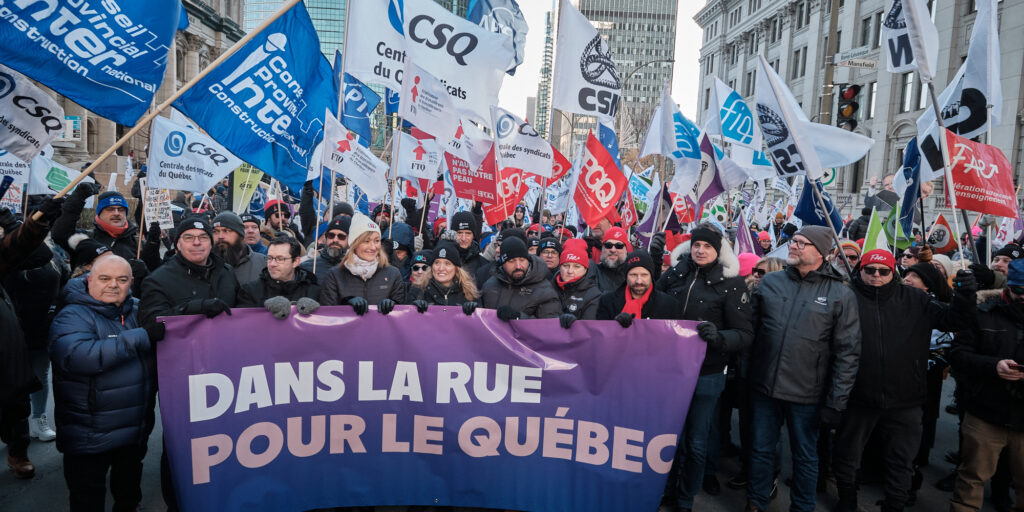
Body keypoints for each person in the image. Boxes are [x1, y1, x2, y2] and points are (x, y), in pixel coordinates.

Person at [832, 250, 976, 512]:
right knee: (848, 456)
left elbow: (955, 320)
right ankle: (847, 501)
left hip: (905, 398)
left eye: (883, 271)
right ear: (860, 271)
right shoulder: (846, 298)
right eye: (870, 270)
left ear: (893, 273)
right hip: (858, 396)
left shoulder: (915, 299)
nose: (876, 275)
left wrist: (965, 295)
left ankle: (895, 505)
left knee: (901, 460)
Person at [745, 225, 861, 512]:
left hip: (808, 394)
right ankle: (757, 501)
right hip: (764, 388)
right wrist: (747, 374)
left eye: (801, 243)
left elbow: (848, 352)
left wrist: (837, 401)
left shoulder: (840, 295)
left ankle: (802, 507)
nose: (793, 246)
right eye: (793, 241)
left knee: (805, 456)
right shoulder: (770, 283)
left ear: (821, 252)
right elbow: (751, 332)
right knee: (760, 450)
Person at [138, 216, 238, 511]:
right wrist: (197, 310)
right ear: (177, 243)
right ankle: (178, 502)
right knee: (182, 446)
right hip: (182, 378)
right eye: (189, 237)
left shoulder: (227, 272)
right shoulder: (159, 279)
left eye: (203, 237)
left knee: (224, 440)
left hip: (225, 373)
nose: (197, 242)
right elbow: (151, 322)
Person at [655, 226, 754, 512]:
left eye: (707, 246)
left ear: (718, 250)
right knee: (668, 438)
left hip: (706, 373)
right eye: (696, 244)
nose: (700, 250)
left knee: (696, 442)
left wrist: (720, 336)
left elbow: (745, 333)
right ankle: (666, 490)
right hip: (668, 370)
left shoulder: (731, 284)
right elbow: (652, 304)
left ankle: (685, 499)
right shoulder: (675, 274)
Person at [49, 255, 159, 512]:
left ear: (131, 282)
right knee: (87, 499)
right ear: (89, 280)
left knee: (128, 494)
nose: (113, 285)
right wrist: (141, 337)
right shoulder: (72, 314)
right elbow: (79, 357)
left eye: (122, 280)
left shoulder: (138, 309)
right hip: (89, 434)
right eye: (105, 278)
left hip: (133, 429)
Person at [949, 258, 1024, 512]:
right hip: (985, 412)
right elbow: (958, 355)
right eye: (1020, 291)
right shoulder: (983, 313)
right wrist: (994, 366)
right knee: (971, 479)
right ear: (1009, 289)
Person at [0, 199, 63, 480]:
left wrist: (31, 223)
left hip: (7, 338)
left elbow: (33, 255)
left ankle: (18, 451)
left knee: (14, 397)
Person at [2, 234, 69, 443]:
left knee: (40, 374)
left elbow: (63, 285)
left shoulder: (53, 254)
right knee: (11, 380)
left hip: (42, 326)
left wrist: (56, 310)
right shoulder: (8, 253)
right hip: (13, 326)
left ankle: (38, 419)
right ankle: (12, 428)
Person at [319, 213, 406, 314]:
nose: (373, 247)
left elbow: (403, 316)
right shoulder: (334, 275)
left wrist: (393, 304)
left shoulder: (393, 274)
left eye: (377, 241)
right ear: (354, 244)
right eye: (366, 241)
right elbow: (327, 316)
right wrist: (346, 304)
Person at [480, 236, 561, 320]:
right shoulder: (490, 286)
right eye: (511, 261)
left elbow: (549, 326)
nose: (518, 266)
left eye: (522, 260)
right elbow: (482, 318)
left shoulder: (545, 291)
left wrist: (519, 317)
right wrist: (473, 309)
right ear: (502, 263)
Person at [237, 237, 321, 315]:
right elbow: (244, 323)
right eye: (269, 258)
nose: (272, 264)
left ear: (296, 261)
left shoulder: (313, 291)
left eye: (280, 259)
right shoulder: (250, 291)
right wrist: (265, 309)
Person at [596, 250, 679, 324]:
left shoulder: (669, 304)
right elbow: (602, 335)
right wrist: (614, 325)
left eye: (644, 275)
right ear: (626, 276)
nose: (639, 281)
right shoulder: (607, 301)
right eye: (633, 275)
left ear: (651, 276)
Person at [408, 240, 479, 312]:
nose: (441, 268)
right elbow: (406, 319)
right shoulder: (418, 290)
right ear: (432, 267)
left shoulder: (469, 292)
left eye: (447, 263)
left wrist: (475, 311)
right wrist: (413, 308)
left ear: (456, 268)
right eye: (437, 263)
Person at [552, 239, 601, 328]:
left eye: (576, 266)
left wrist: (575, 323)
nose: (570, 271)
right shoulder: (548, 288)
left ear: (585, 269)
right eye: (566, 265)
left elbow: (589, 328)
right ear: (560, 266)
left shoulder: (593, 295)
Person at [213, 211, 267, 285]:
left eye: (227, 231)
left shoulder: (263, 263)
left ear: (240, 235)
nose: (220, 236)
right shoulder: (204, 264)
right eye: (215, 231)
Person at [299, 216, 350, 284]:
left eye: (341, 236)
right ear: (326, 238)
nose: (335, 240)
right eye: (331, 235)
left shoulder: (355, 268)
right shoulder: (307, 267)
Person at [588, 226, 632, 293]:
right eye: (608, 245)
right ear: (602, 248)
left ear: (626, 250)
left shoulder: (632, 274)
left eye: (619, 246)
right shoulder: (592, 272)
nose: (613, 250)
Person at [450, 211, 487, 285]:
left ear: (473, 235)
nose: (463, 238)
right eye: (459, 233)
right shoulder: (444, 259)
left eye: (468, 233)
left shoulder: (483, 264)